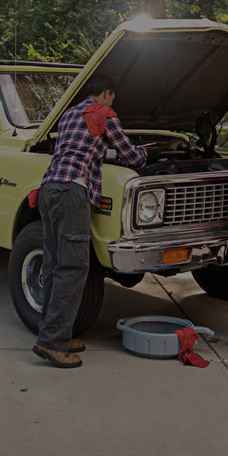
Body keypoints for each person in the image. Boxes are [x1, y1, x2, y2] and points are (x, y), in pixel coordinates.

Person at [33, 74, 147, 368]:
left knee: (54, 265)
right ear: (107, 94)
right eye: (113, 97)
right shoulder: (103, 113)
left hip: (48, 189)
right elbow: (131, 157)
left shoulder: (70, 113)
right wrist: (146, 153)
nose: (113, 103)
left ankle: (54, 334)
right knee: (73, 268)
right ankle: (53, 343)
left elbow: (81, 146)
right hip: (72, 191)